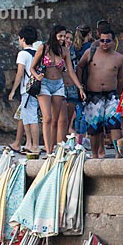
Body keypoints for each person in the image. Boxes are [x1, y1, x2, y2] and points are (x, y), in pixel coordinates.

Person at [30, 25, 86, 156]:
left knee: (55, 118)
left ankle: (54, 147)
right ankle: (48, 150)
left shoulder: (64, 51)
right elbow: (32, 67)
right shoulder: (44, 48)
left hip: (58, 85)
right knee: (47, 118)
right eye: (60, 36)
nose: (62, 39)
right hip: (44, 83)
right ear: (54, 35)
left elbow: (71, 71)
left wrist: (80, 88)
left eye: (64, 36)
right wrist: (37, 76)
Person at [76, 29, 123, 159]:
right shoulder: (90, 53)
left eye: (107, 41)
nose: (104, 43)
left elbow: (120, 78)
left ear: (113, 41)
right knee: (94, 126)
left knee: (115, 124)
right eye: (102, 40)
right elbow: (80, 67)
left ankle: (117, 152)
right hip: (93, 94)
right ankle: (94, 154)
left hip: (112, 95)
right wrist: (81, 86)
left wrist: (120, 95)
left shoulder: (119, 57)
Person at [7, 25, 40, 154]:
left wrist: (13, 90)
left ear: (23, 39)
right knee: (26, 117)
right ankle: (29, 144)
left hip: (27, 89)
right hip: (36, 89)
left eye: (19, 39)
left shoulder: (22, 54)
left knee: (31, 118)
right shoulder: (37, 52)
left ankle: (35, 146)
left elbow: (20, 73)